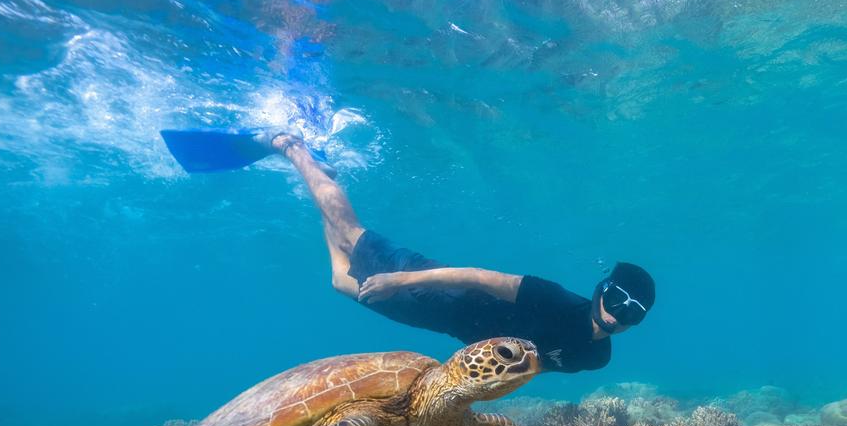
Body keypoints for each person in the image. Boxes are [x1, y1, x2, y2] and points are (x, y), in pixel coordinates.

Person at [268, 132, 655, 373]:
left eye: (633, 313)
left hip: (444, 323)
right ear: (601, 288)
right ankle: (295, 149)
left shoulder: (595, 359)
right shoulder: (554, 299)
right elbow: (475, 276)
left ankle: (324, 178)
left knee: (341, 280)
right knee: (351, 234)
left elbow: (532, 365)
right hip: (442, 291)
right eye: (617, 300)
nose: (618, 315)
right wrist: (400, 280)